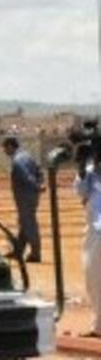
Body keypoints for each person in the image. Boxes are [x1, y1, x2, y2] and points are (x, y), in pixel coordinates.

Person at [2, 136, 43, 262]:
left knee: (29, 223)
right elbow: (39, 172)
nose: (4, 151)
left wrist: (37, 186)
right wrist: (39, 184)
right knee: (24, 223)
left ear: (10, 146)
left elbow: (26, 176)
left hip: (25, 196)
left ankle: (35, 254)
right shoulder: (27, 156)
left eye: (5, 148)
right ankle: (18, 251)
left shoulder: (18, 160)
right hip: (31, 196)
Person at [77, 145, 101, 338]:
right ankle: (99, 325)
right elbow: (81, 192)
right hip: (96, 232)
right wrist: (81, 166)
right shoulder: (90, 172)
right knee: (93, 277)